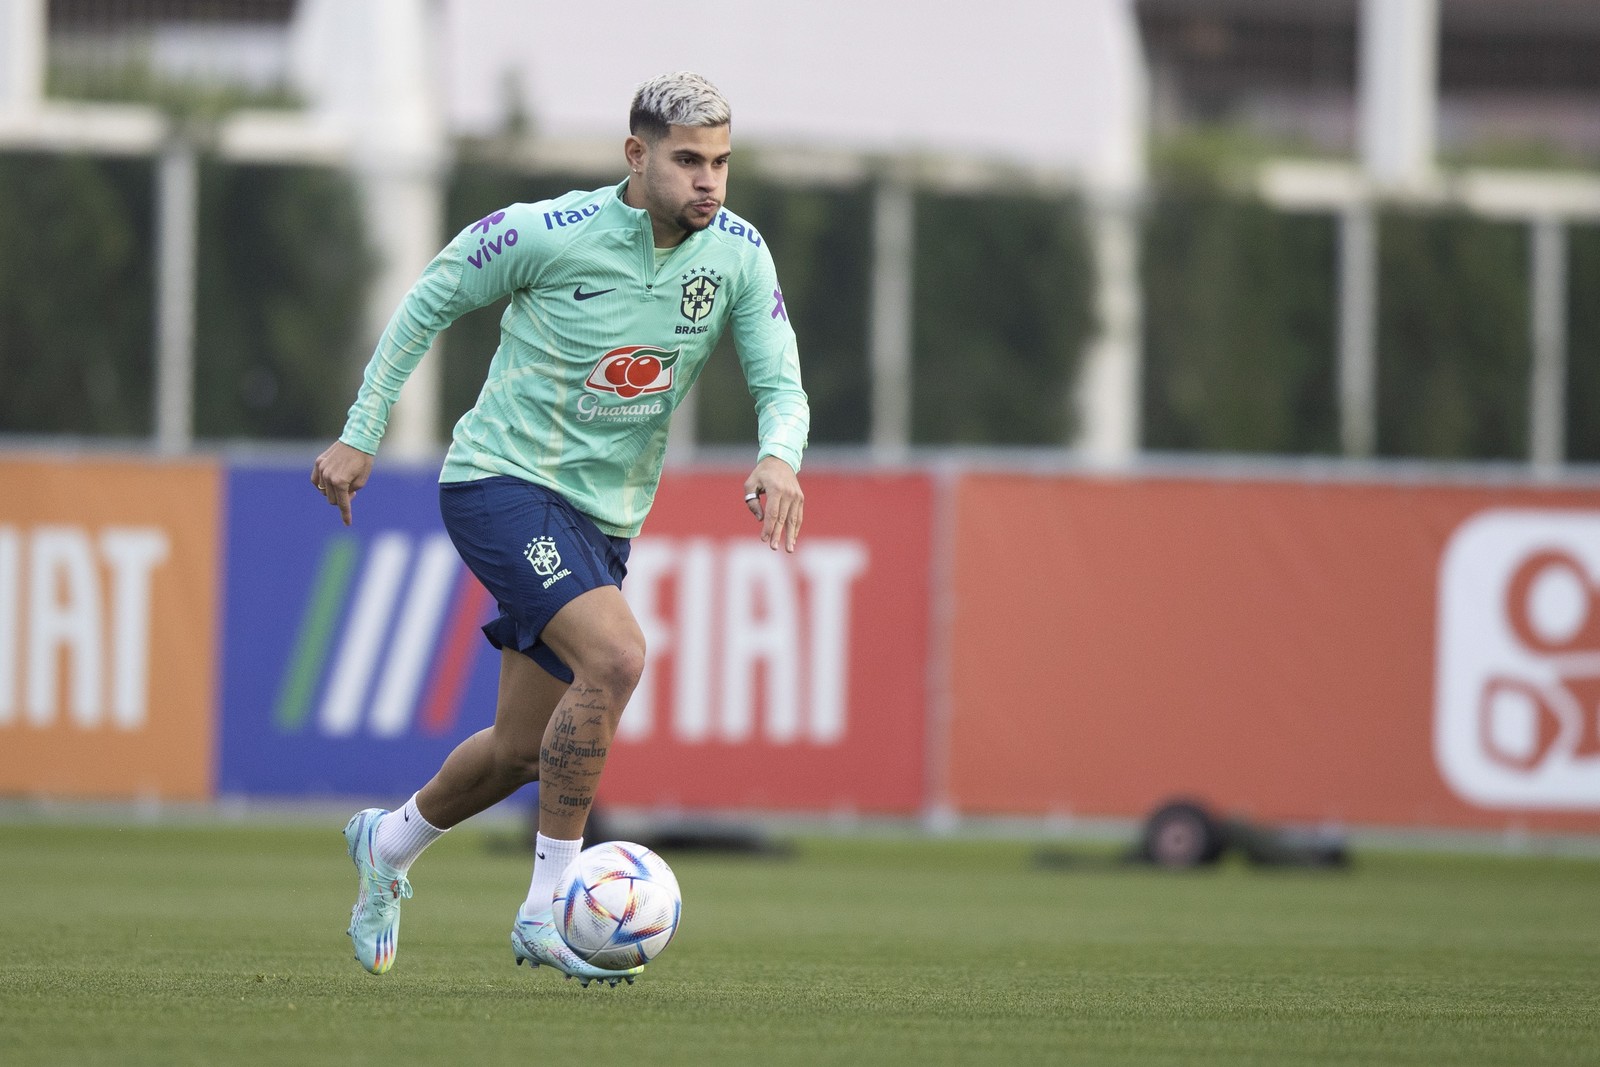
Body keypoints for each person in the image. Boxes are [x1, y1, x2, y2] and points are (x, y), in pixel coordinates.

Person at [310, 71, 808, 986]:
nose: (709, 181)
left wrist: (781, 454)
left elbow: (781, 381)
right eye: (688, 160)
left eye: (722, 163)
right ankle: (546, 914)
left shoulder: (738, 255)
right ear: (636, 155)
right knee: (615, 657)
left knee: (518, 751)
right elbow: (432, 295)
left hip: (602, 519)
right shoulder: (548, 232)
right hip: (500, 483)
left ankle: (385, 844)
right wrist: (362, 430)